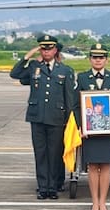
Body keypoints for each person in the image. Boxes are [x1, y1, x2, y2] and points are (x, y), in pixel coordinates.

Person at [10, 34, 78, 199]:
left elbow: (69, 98)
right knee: (40, 153)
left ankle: (53, 187)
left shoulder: (65, 70)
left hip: (57, 118)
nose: (46, 52)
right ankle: (43, 188)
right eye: (43, 48)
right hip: (37, 116)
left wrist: (70, 120)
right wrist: (27, 56)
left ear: (55, 50)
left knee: (55, 154)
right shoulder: (34, 67)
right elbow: (15, 74)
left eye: (49, 49)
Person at [76, 43, 110, 210]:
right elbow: (76, 105)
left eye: (101, 57)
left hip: (107, 129)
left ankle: (103, 201)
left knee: (105, 166)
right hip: (90, 130)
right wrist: (81, 125)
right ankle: (94, 202)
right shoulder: (82, 77)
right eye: (94, 57)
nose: (98, 60)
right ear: (90, 59)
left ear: (106, 60)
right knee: (92, 166)